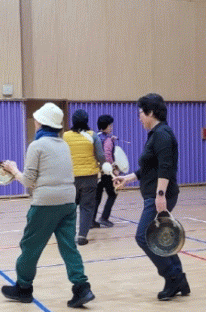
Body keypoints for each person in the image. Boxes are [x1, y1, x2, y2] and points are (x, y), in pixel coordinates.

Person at [0, 103, 95, 308]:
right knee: (69, 247)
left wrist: (13, 170)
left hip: (45, 203)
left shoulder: (36, 146)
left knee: (30, 246)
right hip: (68, 201)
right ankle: (82, 288)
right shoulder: (63, 144)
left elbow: (28, 181)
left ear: (40, 122)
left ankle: (23, 288)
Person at [114, 93, 189, 301]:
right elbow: (150, 166)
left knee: (144, 237)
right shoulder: (156, 134)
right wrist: (128, 178)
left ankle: (172, 277)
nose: (139, 117)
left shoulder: (162, 134)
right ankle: (179, 279)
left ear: (151, 112)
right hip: (156, 194)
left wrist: (160, 195)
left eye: (141, 112)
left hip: (160, 195)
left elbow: (165, 167)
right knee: (161, 238)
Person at [63, 109, 105, 245]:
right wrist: (104, 167)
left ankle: (68, 235)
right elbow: (100, 155)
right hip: (89, 177)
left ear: (73, 121)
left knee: (70, 208)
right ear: (87, 121)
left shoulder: (65, 136)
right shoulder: (93, 136)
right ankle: (82, 236)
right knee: (86, 207)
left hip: (70, 178)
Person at [92, 114, 118, 228]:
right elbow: (107, 156)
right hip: (106, 172)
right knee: (112, 194)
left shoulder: (95, 136)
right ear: (105, 126)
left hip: (96, 172)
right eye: (110, 125)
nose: (111, 127)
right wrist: (114, 168)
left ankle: (91, 220)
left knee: (97, 196)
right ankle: (104, 218)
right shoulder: (107, 139)